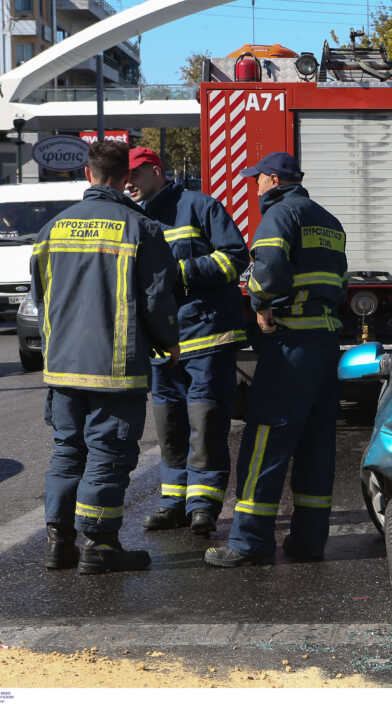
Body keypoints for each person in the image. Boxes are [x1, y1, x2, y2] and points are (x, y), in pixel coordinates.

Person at [30, 140, 180, 574]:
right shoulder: (140, 227)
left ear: (86, 175)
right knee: (107, 454)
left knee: (66, 451)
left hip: (61, 366)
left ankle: (59, 543)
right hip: (114, 369)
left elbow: (40, 296)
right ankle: (100, 546)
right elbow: (156, 298)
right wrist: (168, 342)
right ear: (125, 179)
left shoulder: (53, 229)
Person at [204, 151, 346, 567]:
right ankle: (308, 540)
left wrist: (263, 305)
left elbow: (266, 269)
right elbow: (340, 279)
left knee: (265, 439)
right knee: (316, 444)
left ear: (271, 179)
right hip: (325, 343)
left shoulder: (280, 216)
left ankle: (249, 542)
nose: (255, 187)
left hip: (289, 344)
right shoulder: (329, 221)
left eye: (257, 180)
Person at [125, 146, 248, 537]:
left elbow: (234, 258)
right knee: (170, 428)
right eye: (124, 176)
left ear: (157, 171)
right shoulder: (132, 218)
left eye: (136, 174)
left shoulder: (199, 207)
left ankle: (203, 506)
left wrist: (179, 272)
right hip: (162, 344)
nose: (128, 182)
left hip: (206, 337)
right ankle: (172, 502)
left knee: (206, 425)